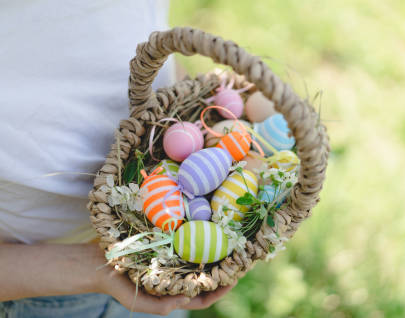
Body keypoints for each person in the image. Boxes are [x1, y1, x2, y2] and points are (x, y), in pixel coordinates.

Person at [0, 1, 232, 316]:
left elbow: (124, 28)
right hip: (37, 289)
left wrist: (194, 108)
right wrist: (97, 267)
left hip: (156, 254)